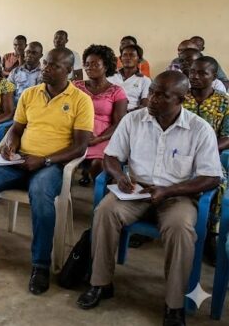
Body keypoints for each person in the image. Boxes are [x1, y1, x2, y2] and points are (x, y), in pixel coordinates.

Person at [76, 71, 222, 326]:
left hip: (177, 195)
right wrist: (119, 175)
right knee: (105, 211)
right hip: (135, 190)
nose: (152, 99)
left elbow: (211, 177)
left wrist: (168, 191)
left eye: (162, 96)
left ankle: (174, 304)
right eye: (152, 91)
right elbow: (111, 156)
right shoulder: (134, 120)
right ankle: (100, 283)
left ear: (182, 99)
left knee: (180, 228)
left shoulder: (200, 129)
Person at [0, 48, 93, 295]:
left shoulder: (80, 100)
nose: (46, 69)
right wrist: (10, 146)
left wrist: (46, 160)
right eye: (45, 64)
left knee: (41, 194)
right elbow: (16, 129)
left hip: (52, 165)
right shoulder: (30, 94)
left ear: (69, 71)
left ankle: (40, 265)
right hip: (20, 161)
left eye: (53, 66)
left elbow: (81, 146)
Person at [182, 56, 229, 266]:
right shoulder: (180, 96)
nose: (196, 77)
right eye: (193, 72)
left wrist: (204, 150)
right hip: (174, 154)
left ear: (214, 76)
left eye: (203, 73)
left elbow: (227, 136)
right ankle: (152, 216)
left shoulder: (224, 102)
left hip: (208, 157)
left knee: (219, 183)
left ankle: (210, 234)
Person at [74, 45, 128, 186]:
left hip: (103, 136)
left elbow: (119, 123)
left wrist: (98, 138)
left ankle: (100, 196)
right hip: (77, 133)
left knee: (98, 163)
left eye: (95, 64)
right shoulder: (76, 87)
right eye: (87, 64)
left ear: (106, 67)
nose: (89, 68)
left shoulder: (117, 91)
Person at [108, 43, 151, 111]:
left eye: (132, 55)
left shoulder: (145, 80)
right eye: (125, 55)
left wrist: (131, 114)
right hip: (109, 111)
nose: (128, 58)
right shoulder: (110, 76)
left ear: (139, 60)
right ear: (120, 59)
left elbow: (144, 104)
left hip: (131, 113)